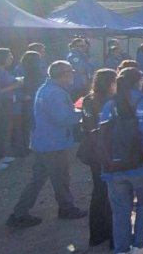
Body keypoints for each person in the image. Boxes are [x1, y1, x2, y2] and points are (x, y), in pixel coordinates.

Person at [6, 61, 87, 228]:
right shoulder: (56, 92)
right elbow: (63, 118)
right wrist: (81, 113)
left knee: (37, 179)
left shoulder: (45, 89)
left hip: (42, 142)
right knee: (60, 178)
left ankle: (19, 212)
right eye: (70, 72)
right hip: (54, 143)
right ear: (63, 74)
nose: (72, 74)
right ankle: (66, 208)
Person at [101, 67, 143, 254]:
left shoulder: (109, 105)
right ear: (139, 81)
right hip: (142, 165)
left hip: (114, 167)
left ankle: (121, 250)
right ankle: (139, 245)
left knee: (120, 208)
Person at [79, 69, 116, 246]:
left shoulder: (88, 99)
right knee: (111, 192)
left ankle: (97, 234)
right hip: (106, 151)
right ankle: (112, 235)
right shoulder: (111, 102)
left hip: (92, 151)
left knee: (99, 192)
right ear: (110, 84)